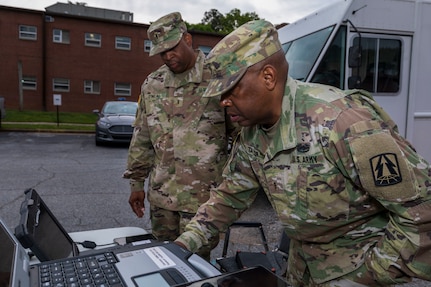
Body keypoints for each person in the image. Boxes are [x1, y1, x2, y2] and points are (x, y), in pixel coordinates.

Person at [175, 19, 431, 286]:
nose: (223, 101)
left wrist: (374, 272)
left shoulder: (342, 123)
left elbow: (421, 210)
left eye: (230, 89)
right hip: (301, 268)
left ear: (268, 77)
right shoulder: (253, 132)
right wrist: (183, 245)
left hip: (356, 271)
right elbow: (229, 197)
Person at [123, 12, 234, 260]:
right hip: (162, 198)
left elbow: (239, 135)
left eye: (172, 48)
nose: (168, 56)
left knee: (197, 264)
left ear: (188, 39)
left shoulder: (218, 78)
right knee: (163, 260)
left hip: (203, 200)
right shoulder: (153, 84)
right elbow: (142, 136)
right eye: (162, 52)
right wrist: (136, 183)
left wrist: (231, 186)